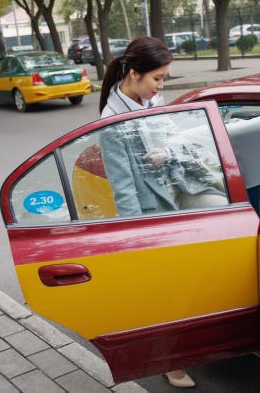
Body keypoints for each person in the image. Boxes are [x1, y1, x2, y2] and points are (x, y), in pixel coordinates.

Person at [99, 36, 228, 388]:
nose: (161, 86)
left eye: (164, 78)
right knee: (166, 286)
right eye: (158, 78)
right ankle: (171, 361)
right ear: (134, 74)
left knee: (226, 217)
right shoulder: (111, 120)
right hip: (154, 206)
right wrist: (139, 235)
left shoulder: (151, 98)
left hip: (181, 187)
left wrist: (165, 152)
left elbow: (174, 136)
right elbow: (123, 187)